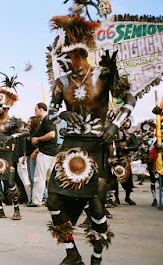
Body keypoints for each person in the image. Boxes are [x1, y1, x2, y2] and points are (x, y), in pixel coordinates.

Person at [45, 14, 136, 265]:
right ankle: (72, 254)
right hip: (69, 147)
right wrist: (62, 111)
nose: (63, 61)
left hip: (96, 147)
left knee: (96, 207)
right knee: (53, 199)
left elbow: (130, 99)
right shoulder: (61, 83)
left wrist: (116, 125)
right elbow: (51, 112)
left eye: (68, 56)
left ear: (81, 54)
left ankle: (96, 259)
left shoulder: (104, 76)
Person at [0, 71, 28, 220]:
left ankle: (17, 210)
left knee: (10, 183)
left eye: (0, 106)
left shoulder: (13, 122)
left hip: (7, 155)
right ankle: (0, 210)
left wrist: (13, 136)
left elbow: (26, 131)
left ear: (7, 108)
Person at [30, 102, 59, 207]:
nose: (35, 112)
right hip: (52, 153)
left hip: (46, 154)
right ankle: (53, 201)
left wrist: (37, 139)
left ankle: (36, 201)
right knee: (51, 180)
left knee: (39, 178)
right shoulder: (49, 120)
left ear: (41, 109)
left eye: (36, 110)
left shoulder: (47, 120)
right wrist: (36, 150)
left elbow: (52, 135)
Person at [25, 116, 41, 206]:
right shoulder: (28, 133)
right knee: (30, 178)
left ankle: (39, 198)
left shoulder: (37, 132)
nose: (28, 123)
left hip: (34, 156)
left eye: (30, 122)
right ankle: (31, 198)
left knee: (34, 177)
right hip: (27, 155)